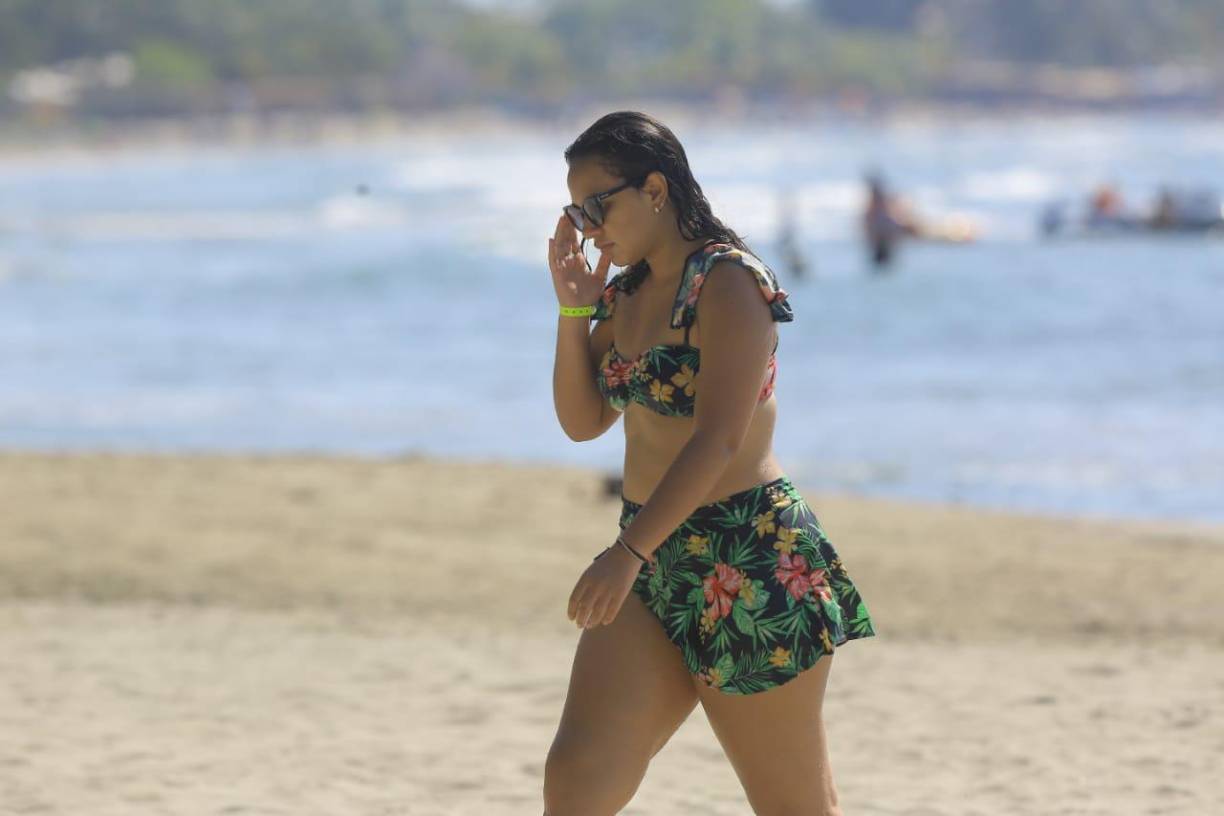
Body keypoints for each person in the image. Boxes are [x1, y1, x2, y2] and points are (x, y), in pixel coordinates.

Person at [544, 111, 875, 816]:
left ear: (655, 189)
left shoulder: (728, 284)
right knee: (576, 781)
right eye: (577, 213)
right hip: (651, 557)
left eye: (597, 206)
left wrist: (625, 554)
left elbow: (719, 438)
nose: (589, 228)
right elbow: (583, 421)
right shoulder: (626, 294)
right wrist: (573, 314)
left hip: (748, 559)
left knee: (793, 806)